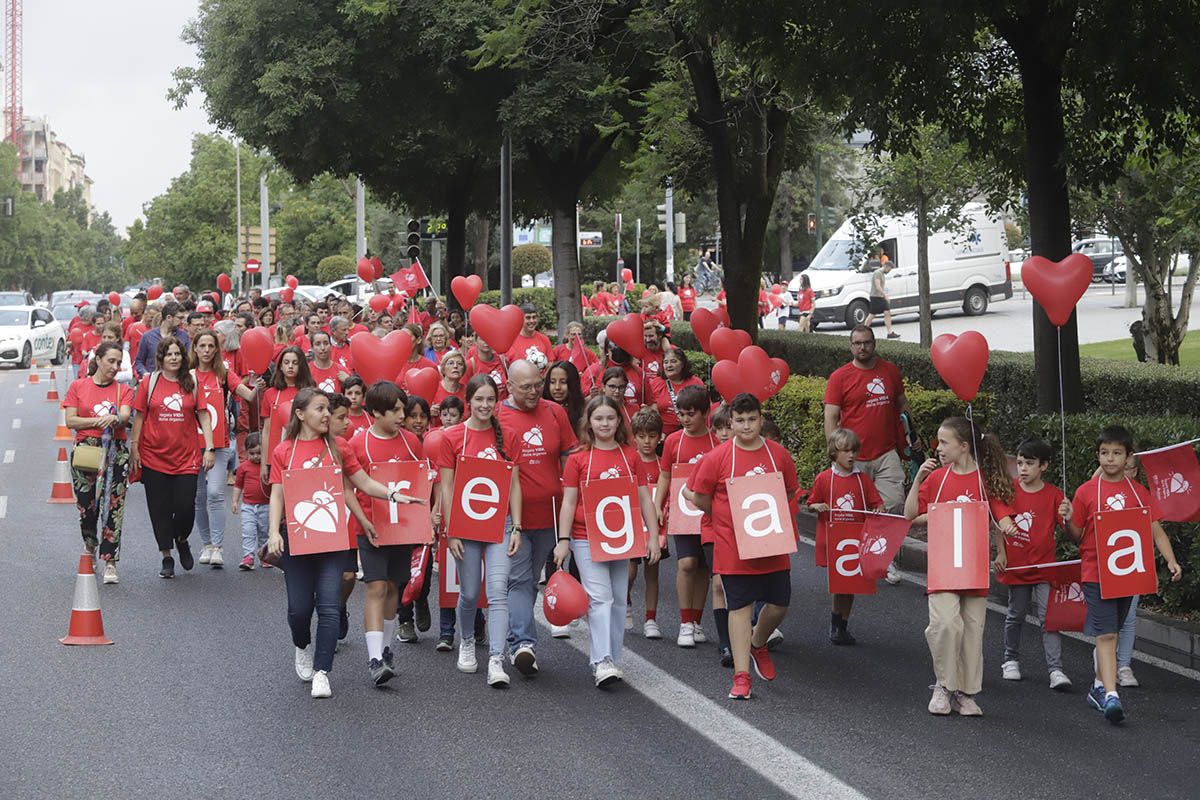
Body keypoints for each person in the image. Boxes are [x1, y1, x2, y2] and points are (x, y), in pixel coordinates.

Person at [265, 388, 419, 699]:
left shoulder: (340, 448)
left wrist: (391, 494)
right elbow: (278, 493)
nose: (326, 415)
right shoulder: (285, 450)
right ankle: (302, 645)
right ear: (300, 414)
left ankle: (323, 672)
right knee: (299, 610)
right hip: (297, 539)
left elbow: (361, 483)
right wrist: (273, 532)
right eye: (319, 409)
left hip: (332, 541)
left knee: (330, 608)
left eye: (327, 409)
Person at [687, 393, 800, 700]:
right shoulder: (718, 457)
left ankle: (758, 642)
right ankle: (741, 676)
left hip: (771, 543)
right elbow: (695, 494)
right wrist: (722, 515)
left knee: (779, 604)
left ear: (761, 420)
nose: (746, 426)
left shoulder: (778, 454)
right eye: (740, 420)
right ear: (731, 421)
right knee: (739, 607)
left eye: (752, 419)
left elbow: (791, 490)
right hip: (733, 545)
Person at [1067, 426, 1182, 724]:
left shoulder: (1138, 492)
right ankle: (1111, 693)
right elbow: (1076, 535)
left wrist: (1170, 560)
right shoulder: (1085, 492)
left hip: (1127, 572)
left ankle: (1097, 687)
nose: (1110, 459)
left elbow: (1154, 528)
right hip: (1095, 572)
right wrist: (1067, 521)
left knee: (1113, 632)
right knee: (1107, 634)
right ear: (1097, 455)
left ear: (1129, 457)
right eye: (1104, 453)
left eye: (1117, 453)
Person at [904, 416, 1015, 717]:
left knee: (972, 630)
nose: (938, 448)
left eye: (944, 442)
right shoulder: (937, 478)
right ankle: (944, 684)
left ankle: (965, 693)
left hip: (974, 565)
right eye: (938, 442)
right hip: (943, 565)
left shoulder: (985, 479)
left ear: (964, 446)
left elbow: (999, 514)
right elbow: (911, 514)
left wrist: (1007, 533)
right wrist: (917, 479)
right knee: (944, 623)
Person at [554, 396, 661, 688]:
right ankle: (601, 660)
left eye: (610, 419)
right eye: (599, 418)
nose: (605, 424)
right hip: (585, 537)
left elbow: (643, 498)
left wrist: (652, 536)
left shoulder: (631, 455)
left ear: (618, 421)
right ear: (589, 421)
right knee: (599, 598)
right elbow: (568, 502)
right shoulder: (578, 458)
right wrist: (563, 540)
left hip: (621, 537)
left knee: (616, 599)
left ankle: (612, 657)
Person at [437, 375, 523, 686]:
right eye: (479, 400)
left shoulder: (509, 437)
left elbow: (514, 483)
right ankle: (468, 640)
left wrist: (517, 526)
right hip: (465, 525)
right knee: (470, 592)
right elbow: (446, 487)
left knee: (498, 590)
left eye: (490, 399)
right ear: (468, 401)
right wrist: (451, 530)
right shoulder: (452, 438)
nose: (485, 405)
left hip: (500, 524)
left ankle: (497, 659)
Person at [499, 360, 578, 676]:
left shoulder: (555, 412)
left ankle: (516, 634)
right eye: (526, 387)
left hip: (551, 514)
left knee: (530, 580)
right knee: (519, 579)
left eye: (537, 385)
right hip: (510, 517)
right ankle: (522, 644)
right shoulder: (497, 416)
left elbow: (569, 456)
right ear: (509, 387)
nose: (534, 392)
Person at [349, 381, 430, 686]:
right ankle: (374, 658)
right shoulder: (360, 444)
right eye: (395, 410)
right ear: (376, 413)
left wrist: (425, 521)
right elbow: (353, 486)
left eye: (402, 409)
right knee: (376, 587)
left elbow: (420, 483)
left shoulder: (412, 441)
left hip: (403, 527)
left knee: (395, 587)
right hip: (371, 527)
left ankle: (386, 649)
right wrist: (361, 521)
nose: (402, 415)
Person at [824, 325, 911, 583]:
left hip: (886, 453)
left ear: (874, 343)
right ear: (851, 346)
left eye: (867, 342)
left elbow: (901, 404)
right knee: (856, 510)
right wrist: (835, 451)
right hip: (853, 457)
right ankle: (857, 555)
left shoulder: (890, 371)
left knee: (893, 506)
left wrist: (909, 432)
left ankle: (883, 559)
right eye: (857, 343)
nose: (862, 347)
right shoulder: (840, 377)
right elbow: (831, 416)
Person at [130, 336, 215, 579]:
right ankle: (166, 555)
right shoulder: (150, 382)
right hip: (154, 456)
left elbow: (204, 415)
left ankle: (181, 538)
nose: (174, 358)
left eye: (178, 354)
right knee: (160, 509)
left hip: (186, 457)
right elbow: (138, 417)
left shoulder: (192, 382)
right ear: (161, 358)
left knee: (185, 505)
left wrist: (209, 447)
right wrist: (134, 447)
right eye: (169, 354)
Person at [995, 438, 1074, 690]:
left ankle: (1056, 670)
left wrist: (1069, 516)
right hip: (1017, 565)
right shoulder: (1009, 489)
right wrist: (1001, 553)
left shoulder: (1054, 495)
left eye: (1030, 463)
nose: (1023, 468)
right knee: (1015, 614)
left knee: (1049, 619)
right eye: (1019, 463)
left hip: (1044, 567)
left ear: (1044, 466)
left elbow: (1071, 532)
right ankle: (1010, 660)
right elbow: (998, 520)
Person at [63, 342, 134, 585]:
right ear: (99, 359)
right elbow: (71, 421)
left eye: (118, 363)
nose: (115, 367)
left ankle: (110, 561)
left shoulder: (122, 390)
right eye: (111, 361)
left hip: (115, 451)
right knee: (87, 504)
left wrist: (115, 418)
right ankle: (90, 545)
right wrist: (98, 421)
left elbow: (124, 416)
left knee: (114, 505)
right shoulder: (78, 386)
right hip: (86, 451)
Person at [655, 386, 718, 651]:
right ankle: (684, 622)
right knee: (687, 563)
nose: (685, 419)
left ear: (706, 413)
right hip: (682, 512)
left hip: (708, 513)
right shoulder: (673, 441)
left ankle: (696, 620)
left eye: (691, 414)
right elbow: (665, 475)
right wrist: (658, 504)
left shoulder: (717, 442)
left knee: (704, 567)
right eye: (681, 414)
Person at [807, 428, 884, 645]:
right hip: (834, 539)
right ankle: (835, 624)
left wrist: (878, 508)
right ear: (834, 453)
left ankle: (843, 625)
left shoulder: (862, 480)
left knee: (852, 586)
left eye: (854, 451)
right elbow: (811, 502)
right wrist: (817, 506)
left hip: (854, 539)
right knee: (840, 585)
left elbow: (876, 502)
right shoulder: (825, 478)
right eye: (845, 451)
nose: (851, 456)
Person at [191, 330, 258, 568]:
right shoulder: (188, 375)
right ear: (195, 349)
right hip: (192, 444)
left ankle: (218, 546)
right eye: (203, 346)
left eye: (211, 346)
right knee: (198, 497)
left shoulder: (224, 374)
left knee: (215, 493)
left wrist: (257, 384)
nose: (207, 350)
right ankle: (207, 544)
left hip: (219, 443)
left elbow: (248, 395)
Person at [628, 407, 666, 638]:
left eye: (652, 436)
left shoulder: (663, 465)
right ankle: (626, 599)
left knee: (653, 571)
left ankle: (651, 618)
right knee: (629, 571)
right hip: (632, 523)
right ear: (634, 437)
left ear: (659, 437)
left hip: (655, 525)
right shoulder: (630, 461)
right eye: (641, 436)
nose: (647, 441)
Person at [260, 346, 316, 481]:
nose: (290, 366)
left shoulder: (311, 392)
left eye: (295, 363)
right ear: (280, 366)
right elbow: (266, 431)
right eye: (286, 362)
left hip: (305, 455)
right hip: (278, 456)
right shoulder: (270, 393)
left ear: (302, 366)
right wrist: (263, 463)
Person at [232, 431, 271, 570]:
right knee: (248, 531)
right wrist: (235, 501)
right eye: (252, 453)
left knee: (264, 532)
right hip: (248, 506)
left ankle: (264, 556)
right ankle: (248, 556)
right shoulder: (243, 467)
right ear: (246, 452)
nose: (256, 457)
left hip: (266, 505)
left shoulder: (268, 467)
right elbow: (238, 485)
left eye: (259, 453)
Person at [648, 349, 705, 436]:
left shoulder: (696, 382)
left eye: (673, 361)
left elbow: (705, 409)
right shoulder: (655, 384)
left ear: (682, 364)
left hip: (691, 433)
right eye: (666, 362)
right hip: (662, 436)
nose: (669, 365)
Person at [135, 301, 190, 378]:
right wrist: (144, 374)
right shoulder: (148, 336)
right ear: (169, 318)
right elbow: (139, 361)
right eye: (180, 318)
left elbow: (188, 360)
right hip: (153, 381)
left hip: (177, 381)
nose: (182, 321)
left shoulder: (184, 336)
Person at [864, 254, 900, 339]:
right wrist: (885, 296)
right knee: (872, 314)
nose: (889, 271)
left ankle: (890, 332)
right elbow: (878, 286)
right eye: (889, 269)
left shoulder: (882, 274)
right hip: (876, 297)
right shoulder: (877, 273)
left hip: (879, 297)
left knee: (886, 312)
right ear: (886, 266)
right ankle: (864, 330)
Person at [543, 360, 585, 432]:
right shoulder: (541, 410)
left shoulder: (583, 411)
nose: (557, 387)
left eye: (563, 382)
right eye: (552, 382)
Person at [431, 350, 467, 422]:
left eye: (460, 364)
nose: (455, 366)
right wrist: (428, 412)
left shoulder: (468, 392)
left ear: (463, 370)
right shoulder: (432, 388)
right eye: (451, 363)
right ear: (443, 369)